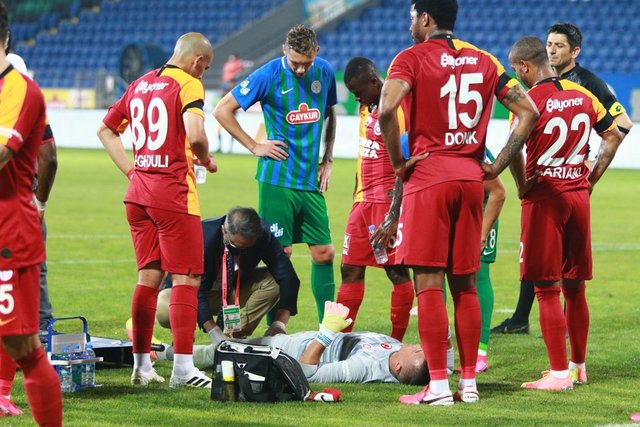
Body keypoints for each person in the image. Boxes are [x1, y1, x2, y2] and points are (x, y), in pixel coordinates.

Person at [378, 0, 539, 405]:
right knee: (466, 285)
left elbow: (386, 109)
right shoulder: (485, 60)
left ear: (425, 18)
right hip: (470, 179)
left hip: (428, 178)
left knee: (429, 283)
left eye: (412, 16)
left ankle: (437, 386)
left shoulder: (411, 58)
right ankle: (468, 385)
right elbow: (528, 111)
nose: (410, 24)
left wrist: (397, 163)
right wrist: (497, 165)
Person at [493, 22, 634, 336]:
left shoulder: (587, 82)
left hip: (567, 179)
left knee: (563, 261)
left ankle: (565, 324)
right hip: (548, 179)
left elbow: (622, 123)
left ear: (575, 51)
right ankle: (521, 317)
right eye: (549, 44)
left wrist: (590, 166)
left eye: (559, 45)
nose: (552, 50)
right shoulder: (540, 83)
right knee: (537, 251)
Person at [97, 32, 217, 389]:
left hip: (138, 196)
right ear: (197, 62)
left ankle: (141, 366)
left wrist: (131, 171)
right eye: (205, 68)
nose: (203, 74)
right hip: (174, 196)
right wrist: (205, 159)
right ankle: (183, 369)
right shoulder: (189, 85)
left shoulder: (139, 84)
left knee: (148, 278)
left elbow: (105, 130)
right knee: (186, 279)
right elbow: (196, 135)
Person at [507, 36, 623, 390]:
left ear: (525, 66)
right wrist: (590, 178)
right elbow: (613, 135)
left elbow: (513, 148)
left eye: (516, 70)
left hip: (544, 199)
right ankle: (577, 367)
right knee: (575, 287)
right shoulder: (584, 94)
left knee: (546, 288)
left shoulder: (528, 100)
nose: (517, 75)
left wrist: (522, 186)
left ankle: (558, 374)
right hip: (577, 197)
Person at [214, 25, 337, 323]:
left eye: (306, 63)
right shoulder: (268, 75)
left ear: (316, 52)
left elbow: (330, 113)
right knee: (280, 254)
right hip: (277, 180)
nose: (300, 69)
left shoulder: (324, 71)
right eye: (295, 63)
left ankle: (329, 329)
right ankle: (274, 331)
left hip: (310, 181)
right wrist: (254, 146)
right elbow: (222, 110)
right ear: (284, 50)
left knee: (324, 253)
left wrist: (328, 158)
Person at [0, 1, 63, 423]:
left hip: (7, 233)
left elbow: (3, 153)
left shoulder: (18, 88)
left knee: (20, 344)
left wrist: (41, 204)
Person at [335, 57, 415, 341]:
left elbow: (403, 164)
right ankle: (340, 340)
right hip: (362, 203)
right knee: (349, 269)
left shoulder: (395, 109)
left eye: (358, 92)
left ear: (373, 81)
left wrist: (394, 214)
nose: (356, 98)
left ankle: (396, 341)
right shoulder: (367, 106)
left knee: (396, 271)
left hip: (386, 203)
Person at [160, 302, 431, 384]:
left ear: (397, 367)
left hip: (287, 352)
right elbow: (446, 363)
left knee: (224, 352)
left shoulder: (365, 367)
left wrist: (326, 333)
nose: (419, 346)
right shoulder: (399, 353)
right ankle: (164, 352)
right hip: (300, 339)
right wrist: (435, 320)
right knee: (229, 348)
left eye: (418, 351)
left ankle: (162, 353)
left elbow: (307, 374)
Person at [154, 207, 301, 341]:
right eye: (237, 247)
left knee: (273, 280)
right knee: (163, 306)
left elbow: (288, 276)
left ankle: (236, 336)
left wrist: (279, 323)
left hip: (232, 292)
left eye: (248, 248)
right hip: (192, 292)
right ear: (224, 230)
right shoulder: (202, 238)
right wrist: (213, 331)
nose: (242, 252)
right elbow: (196, 290)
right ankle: (183, 335)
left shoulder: (263, 235)